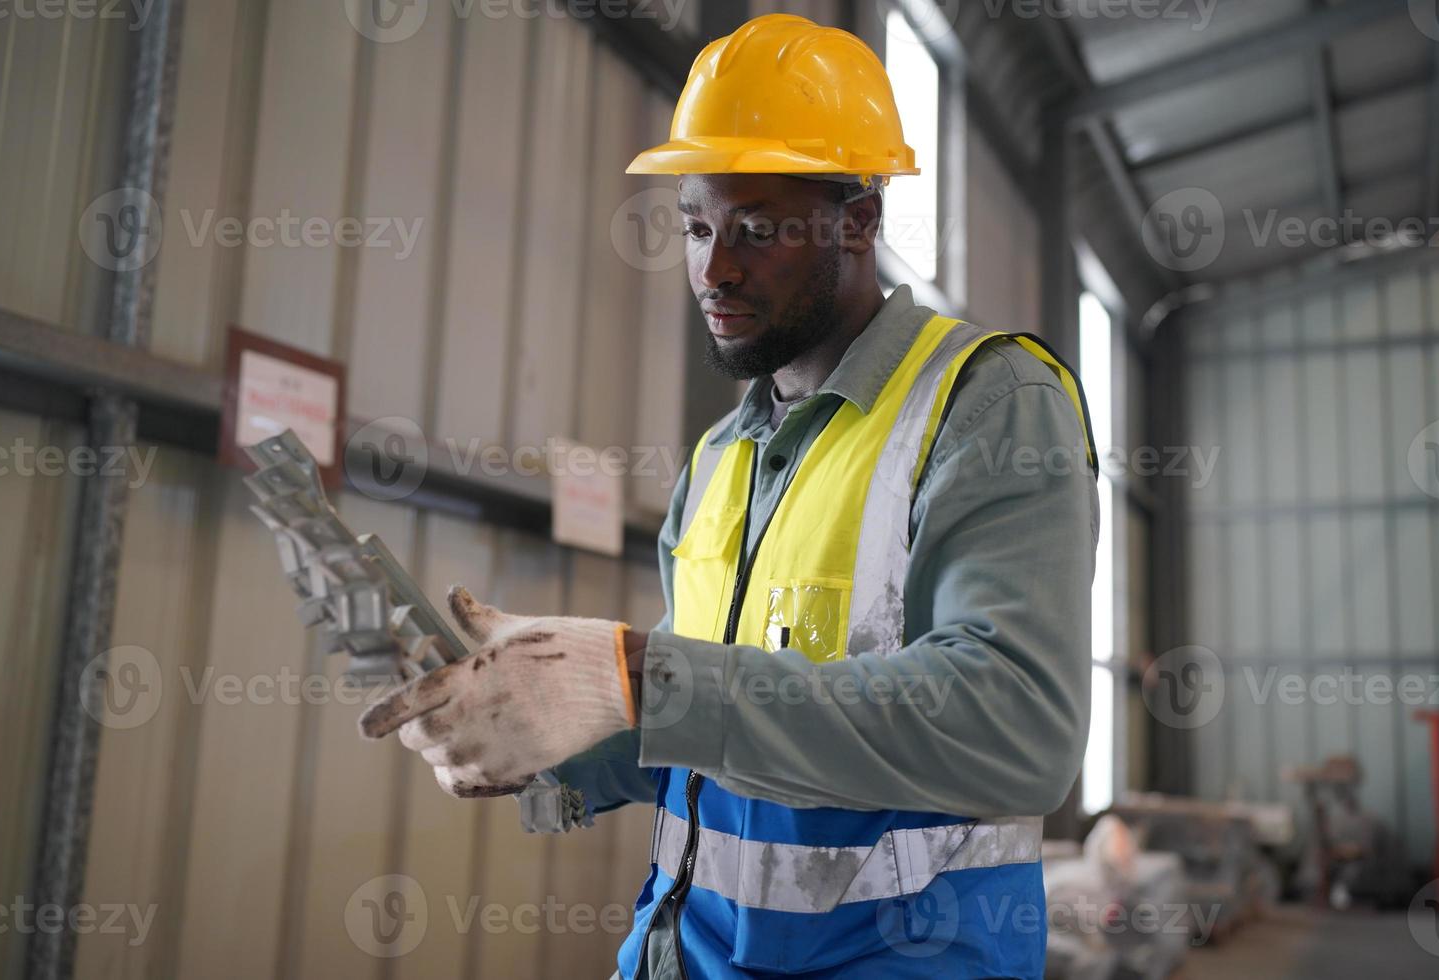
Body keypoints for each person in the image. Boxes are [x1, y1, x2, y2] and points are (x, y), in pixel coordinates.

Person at [359, 13, 1099, 977]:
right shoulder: (719, 458)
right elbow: (713, 736)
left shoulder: (988, 403)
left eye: (757, 230)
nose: (714, 268)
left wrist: (634, 677)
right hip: (683, 953)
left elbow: (1018, 725)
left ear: (860, 220)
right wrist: (550, 733)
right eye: (697, 226)